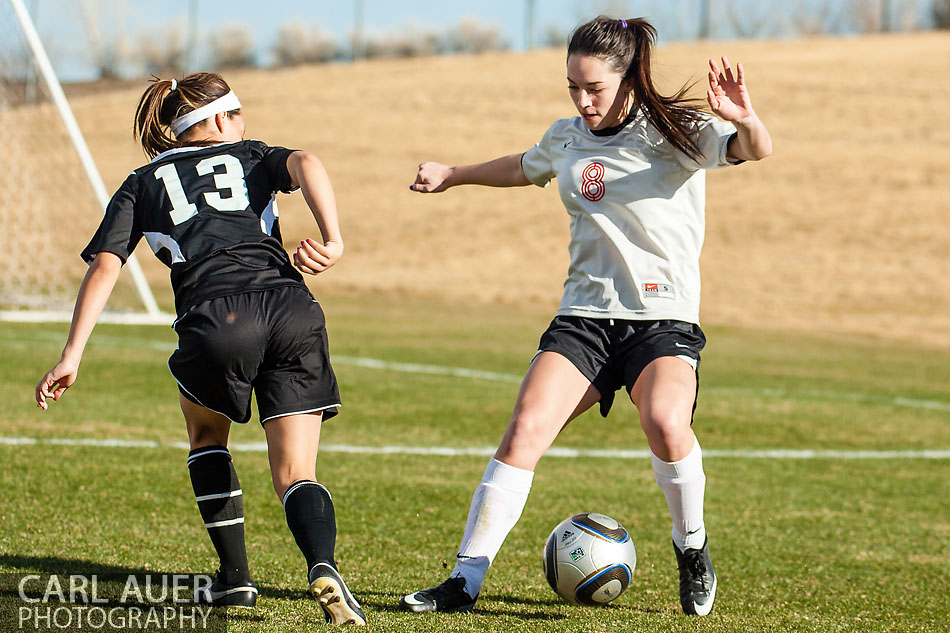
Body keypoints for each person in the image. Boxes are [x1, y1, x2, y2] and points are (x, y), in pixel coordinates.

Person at [399, 16, 772, 617]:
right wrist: (455, 174)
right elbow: (524, 166)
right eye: (573, 85)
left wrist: (745, 118)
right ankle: (463, 581)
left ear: (628, 80)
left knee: (666, 422)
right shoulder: (566, 136)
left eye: (594, 87)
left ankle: (692, 548)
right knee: (523, 432)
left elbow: (754, 149)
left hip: (660, 320)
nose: (582, 99)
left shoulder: (676, 132)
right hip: (584, 317)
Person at [34, 72, 366, 626]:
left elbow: (105, 267)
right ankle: (323, 565)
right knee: (295, 472)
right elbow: (308, 161)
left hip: (218, 318)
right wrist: (332, 239)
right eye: (239, 113)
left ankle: (236, 584)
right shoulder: (255, 155)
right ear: (219, 119)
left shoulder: (142, 182)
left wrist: (72, 354)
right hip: (291, 308)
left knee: (207, 436)